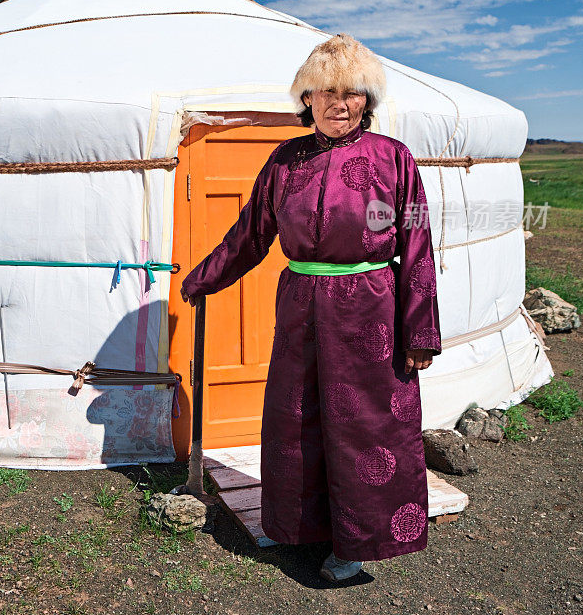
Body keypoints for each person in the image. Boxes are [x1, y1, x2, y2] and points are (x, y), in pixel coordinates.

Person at [180, 34, 442, 582]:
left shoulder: (394, 159)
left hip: (370, 310)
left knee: (364, 427)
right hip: (301, 303)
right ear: (306, 100)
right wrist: (206, 277)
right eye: (324, 93)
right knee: (295, 418)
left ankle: (355, 544)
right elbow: (252, 233)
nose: (337, 104)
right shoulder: (286, 160)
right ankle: (300, 527)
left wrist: (420, 330)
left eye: (349, 94)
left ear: (366, 101)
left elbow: (417, 244)